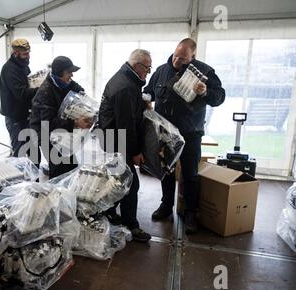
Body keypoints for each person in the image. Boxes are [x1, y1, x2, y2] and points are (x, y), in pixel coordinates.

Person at [143, 38, 225, 234]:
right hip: (165, 131)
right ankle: (166, 206)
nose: (176, 61)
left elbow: (219, 97)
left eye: (183, 58)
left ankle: (190, 213)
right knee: (167, 170)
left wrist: (205, 92)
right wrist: (144, 100)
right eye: (175, 55)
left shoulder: (205, 72)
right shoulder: (162, 70)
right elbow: (149, 92)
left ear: (193, 56)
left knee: (190, 174)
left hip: (190, 133)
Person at [98, 49, 153, 243]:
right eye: (147, 68)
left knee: (117, 182)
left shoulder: (127, 80)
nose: (148, 72)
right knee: (130, 184)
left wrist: (142, 104)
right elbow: (126, 125)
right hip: (117, 143)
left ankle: (110, 213)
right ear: (137, 65)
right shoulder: (125, 87)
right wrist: (136, 152)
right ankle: (131, 225)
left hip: (113, 140)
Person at [31, 56, 92, 179]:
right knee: (59, 169)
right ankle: (57, 193)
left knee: (72, 166)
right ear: (60, 73)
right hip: (45, 133)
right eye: (69, 72)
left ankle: (68, 191)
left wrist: (83, 99)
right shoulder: (45, 92)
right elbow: (48, 123)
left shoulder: (64, 83)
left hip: (60, 130)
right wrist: (75, 123)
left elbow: (78, 88)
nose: (71, 75)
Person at [0, 39, 38, 157]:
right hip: (15, 118)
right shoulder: (9, 69)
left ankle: (34, 175)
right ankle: (19, 175)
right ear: (15, 53)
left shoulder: (23, 66)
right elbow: (21, 94)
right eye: (25, 54)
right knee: (20, 153)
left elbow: (29, 83)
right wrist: (40, 89)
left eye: (29, 53)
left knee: (34, 152)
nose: (28, 56)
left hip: (26, 116)